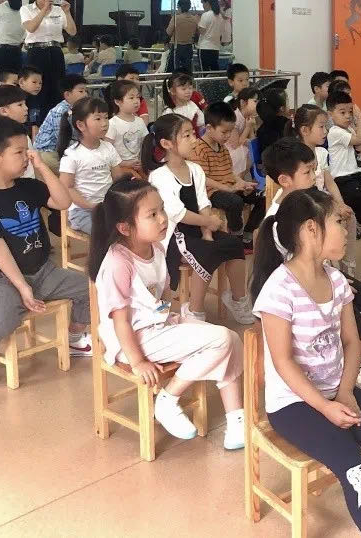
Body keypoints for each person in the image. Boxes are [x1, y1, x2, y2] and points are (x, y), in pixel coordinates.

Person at [251, 188, 361, 538]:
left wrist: (345, 391)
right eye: (338, 222)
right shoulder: (279, 290)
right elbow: (283, 363)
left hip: (338, 391)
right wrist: (325, 406)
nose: (345, 229)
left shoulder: (337, 280)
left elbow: (352, 341)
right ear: (312, 229)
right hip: (294, 404)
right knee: (357, 465)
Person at [90, 177, 245, 448]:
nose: (163, 218)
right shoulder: (118, 262)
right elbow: (120, 322)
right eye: (152, 214)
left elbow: (160, 299)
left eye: (162, 209)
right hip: (132, 340)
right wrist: (138, 362)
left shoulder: (157, 248)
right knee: (220, 340)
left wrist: (175, 320)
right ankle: (168, 398)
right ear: (125, 227)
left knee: (231, 339)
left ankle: (236, 420)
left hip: (158, 326)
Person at [264, 141, 361, 399]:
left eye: (314, 169)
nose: (315, 176)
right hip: (301, 290)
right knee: (350, 310)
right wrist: (330, 284)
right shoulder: (278, 219)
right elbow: (288, 273)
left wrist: (334, 279)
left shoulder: (308, 203)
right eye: (307, 171)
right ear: (285, 180)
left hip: (323, 276)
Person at [0, 117, 92, 386]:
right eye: (20, 152)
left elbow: (62, 201)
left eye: (28, 151)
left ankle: (74, 337)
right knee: (5, 314)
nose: (27, 157)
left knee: (89, 289)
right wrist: (22, 287)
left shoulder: (28, 186)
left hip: (42, 272)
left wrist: (42, 166)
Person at [142, 113, 253, 325]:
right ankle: (195, 310)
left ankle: (238, 299)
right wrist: (208, 223)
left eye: (193, 133)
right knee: (206, 252)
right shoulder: (160, 176)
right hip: (174, 235)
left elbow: (204, 203)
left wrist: (207, 232)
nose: (194, 139)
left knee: (234, 244)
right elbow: (177, 213)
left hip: (199, 228)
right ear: (167, 144)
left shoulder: (195, 169)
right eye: (187, 135)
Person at [290, 104, 359, 268]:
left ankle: (347, 265)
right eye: (321, 127)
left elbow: (330, 182)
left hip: (322, 200)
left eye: (326, 127)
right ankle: (330, 264)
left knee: (349, 215)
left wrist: (340, 203)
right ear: (305, 130)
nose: (325, 131)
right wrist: (333, 207)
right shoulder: (295, 156)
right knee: (332, 220)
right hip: (307, 204)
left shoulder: (321, 153)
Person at [189, 101, 265, 247]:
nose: (228, 136)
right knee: (235, 202)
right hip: (211, 192)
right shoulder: (198, 149)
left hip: (228, 188)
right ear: (209, 128)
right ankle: (236, 235)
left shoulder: (222, 148)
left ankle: (247, 234)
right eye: (224, 132)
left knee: (262, 197)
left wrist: (242, 183)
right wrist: (229, 188)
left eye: (230, 131)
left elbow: (229, 172)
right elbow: (203, 179)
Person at [58, 97, 126, 234]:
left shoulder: (109, 148)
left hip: (108, 207)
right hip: (82, 212)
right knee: (107, 232)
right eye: (98, 119)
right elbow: (66, 187)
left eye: (106, 118)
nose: (105, 123)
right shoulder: (72, 155)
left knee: (135, 227)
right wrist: (90, 205)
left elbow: (119, 180)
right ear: (81, 125)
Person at [21, 0, 76, 119]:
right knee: (36, 89)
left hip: (55, 51)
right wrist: (44, 10)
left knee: (57, 87)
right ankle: (35, 122)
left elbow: (72, 31)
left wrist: (67, 12)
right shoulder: (26, 9)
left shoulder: (58, 10)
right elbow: (31, 28)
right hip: (36, 52)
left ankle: (57, 120)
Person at [327, 91, 361, 225]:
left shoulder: (349, 130)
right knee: (359, 196)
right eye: (342, 112)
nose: (348, 116)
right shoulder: (335, 132)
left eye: (350, 112)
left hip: (357, 174)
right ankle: (360, 220)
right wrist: (359, 117)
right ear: (330, 114)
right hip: (343, 178)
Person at [35, 74, 89, 171]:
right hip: (48, 152)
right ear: (67, 95)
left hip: (63, 149)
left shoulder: (78, 109)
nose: (85, 94)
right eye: (81, 91)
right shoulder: (61, 111)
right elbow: (62, 138)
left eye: (86, 91)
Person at [105, 79, 148, 176]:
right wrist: (124, 163)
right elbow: (107, 150)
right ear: (118, 101)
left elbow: (145, 144)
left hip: (139, 165)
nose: (136, 101)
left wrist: (142, 161)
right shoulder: (112, 124)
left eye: (138, 97)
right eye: (131, 98)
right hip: (120, 167)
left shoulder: (140, 121)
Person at [197, 0, 231, 72]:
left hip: (204, 47)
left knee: (204, 72)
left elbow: (202, 31)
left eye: (203, 3)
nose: (203, 6)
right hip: (215, 47)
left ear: (207, 3)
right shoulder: (220, 16)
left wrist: (197, 22)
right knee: (214, 71)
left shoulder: (206, 15)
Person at [167, 0, 198, 74]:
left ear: (180, 7)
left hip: (177, 47)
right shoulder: (195, 19)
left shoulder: (176, 18)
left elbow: (168, 32)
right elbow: (196, 33)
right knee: (187, 69)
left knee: (175, 70)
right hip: (189, 46)